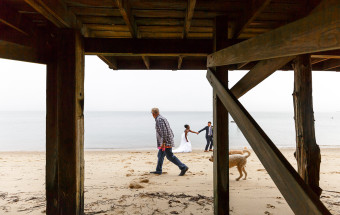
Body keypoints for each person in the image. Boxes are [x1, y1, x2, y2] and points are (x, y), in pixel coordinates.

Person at [150, 108, 189, 176]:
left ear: (153, 114)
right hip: (166, 140)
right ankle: (158, 170)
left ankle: (183, 167)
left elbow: (164, 131)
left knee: (169, 156)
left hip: (165, 142)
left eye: (152, 113)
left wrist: (163, 143)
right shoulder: (162, 118)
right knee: (160, 155)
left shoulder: (159, 120)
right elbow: (169, 129)